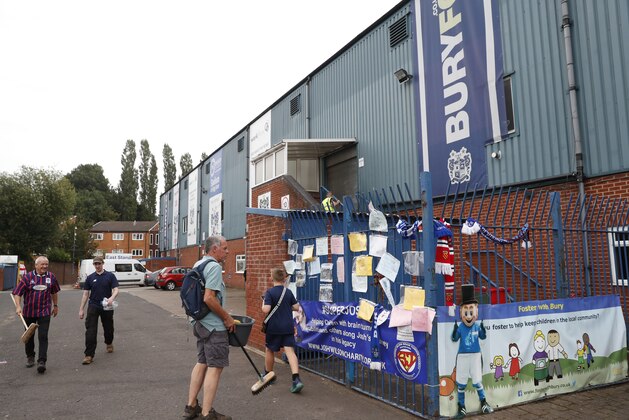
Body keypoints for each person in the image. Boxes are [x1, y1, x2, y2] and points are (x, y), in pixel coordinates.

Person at [183, 236, 235, 420]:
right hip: (213, 327)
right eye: (225, 248)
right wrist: (227, 318)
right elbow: (209, 298)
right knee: (215, 367)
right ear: (214, 249)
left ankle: (191, 406)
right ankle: (207, 413)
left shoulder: (199, 263)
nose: (228, 252)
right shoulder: (213, 267)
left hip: (199, 323)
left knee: (202, 362)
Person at [12, 256, 60, 374]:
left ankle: (42, 361)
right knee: (29, 336)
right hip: (29, 312)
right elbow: (17, 293)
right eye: (42, 264)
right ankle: (30, 356)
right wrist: (18, 306)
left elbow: (54, 292)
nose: (44, 266)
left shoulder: (51, 277)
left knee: (43, 336)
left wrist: (55, 306)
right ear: (36, 265)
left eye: (46, 264)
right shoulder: (28, 277)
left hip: (44, 312)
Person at [451, 284, 493, 418]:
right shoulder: (461, 327)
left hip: (475, 356)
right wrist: (454, 329)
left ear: (476, 311)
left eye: (471, 312)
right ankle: (461, 407)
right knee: (461, 383)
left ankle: (484, 402)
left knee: (477, 381)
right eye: (466, 312)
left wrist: (483, 329)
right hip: (462, 356)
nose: (468, 316)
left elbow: (483, 337)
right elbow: (454, 338)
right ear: (461, 312)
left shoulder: (476, 326)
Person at [262, 267, 303, 393]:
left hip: (274, 327)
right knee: (290, 351)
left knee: (269, 350)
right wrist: (286, 306)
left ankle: (268, 375)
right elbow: (296, 307)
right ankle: (296, 379)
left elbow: (266, 309)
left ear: (272, 278)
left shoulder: (269, 292)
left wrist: (263, 301)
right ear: (284, 278)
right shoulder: (288, 292)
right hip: (287, 326)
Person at [78, 256, 119, 365]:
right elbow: (86, 294)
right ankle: (89, 355)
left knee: (108, 327)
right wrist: (81, 309)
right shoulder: (90, 278)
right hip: (93, 306)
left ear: (102, 264)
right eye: (95, 264)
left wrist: (112, 298)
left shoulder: (110, 276)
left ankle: (109, 342)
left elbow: (116, 289)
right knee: (90, 330)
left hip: (107, 306)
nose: (97, 266)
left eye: (99, 264)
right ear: (93, 265)